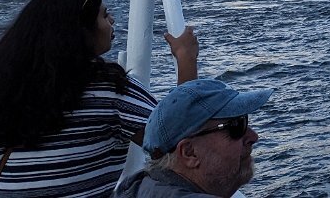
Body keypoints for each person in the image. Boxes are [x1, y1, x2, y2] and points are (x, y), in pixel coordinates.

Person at [0, 0, 198, 197]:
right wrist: (186, 59)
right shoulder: (109, 91)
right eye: (104, 15)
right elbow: (178, 141)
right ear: (80, 32)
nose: (112, 21)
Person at [114, 80, 271, 198]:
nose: (253, 136)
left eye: (244, 120)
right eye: (236, 126)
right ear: (189, 152)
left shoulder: (138, 187)